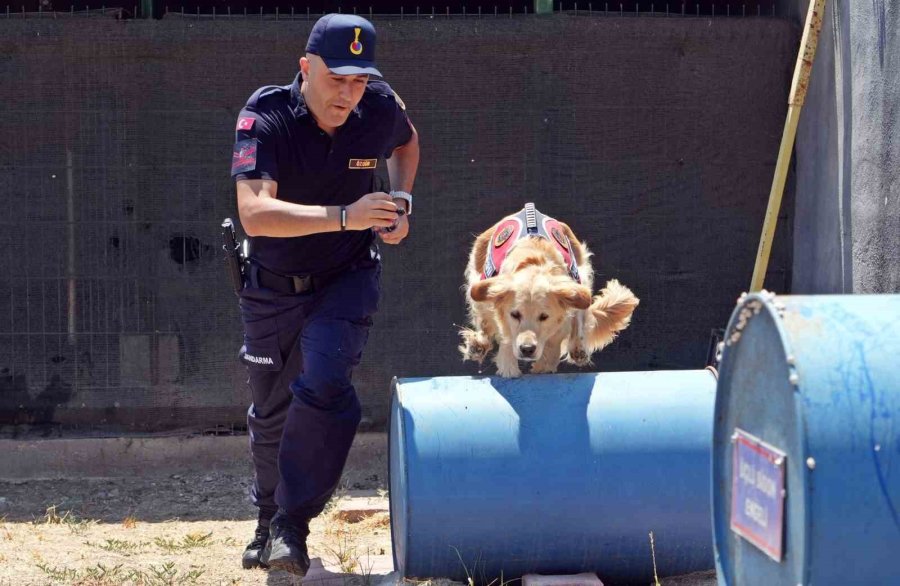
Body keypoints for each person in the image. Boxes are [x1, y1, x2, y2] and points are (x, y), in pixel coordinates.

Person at [229, 13, 419, 576]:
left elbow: (407, 144)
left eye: (359, 80)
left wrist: (401, 202)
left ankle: (293, 522)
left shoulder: (379, 107)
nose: (348, 92)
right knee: (271, 414)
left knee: (327, 377)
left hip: (347, 277)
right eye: (336, 77)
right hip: (271, 286)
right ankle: (269, 521)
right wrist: (347, 215)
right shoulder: (264, 115)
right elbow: (254, 215)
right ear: (306, 67)